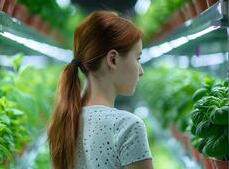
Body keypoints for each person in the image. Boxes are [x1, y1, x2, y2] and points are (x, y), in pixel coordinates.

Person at [48, 10, 153, 169]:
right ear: (113, 59)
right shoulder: (127, 126)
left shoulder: (65, 120)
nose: (141, 71)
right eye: (137, 58)